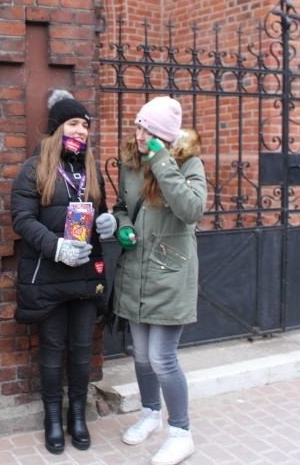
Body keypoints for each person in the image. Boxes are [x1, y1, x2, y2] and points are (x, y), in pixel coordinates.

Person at [95, 96, 207, 465]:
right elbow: (123, 207)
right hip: (136, 269)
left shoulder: (188, 163)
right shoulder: (131, 163)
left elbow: (190, 209)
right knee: (141, 355)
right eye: (139, 127)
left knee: (162, 357)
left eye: (148, 130)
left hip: (169, 273)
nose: (140, 135)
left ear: (165, 136)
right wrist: (123, 227)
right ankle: (149, 415)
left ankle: (181, 432)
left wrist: (161, 161)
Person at [11, 90, 109, 455]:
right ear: (57, 129)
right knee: (52, 350)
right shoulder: (32, 169)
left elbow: (100, 212)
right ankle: (52, 417)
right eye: (73, 124)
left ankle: (77, 416)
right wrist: (57, 247)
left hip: (85, 275)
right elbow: (22, 220)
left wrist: (108, 223)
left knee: (82, 351)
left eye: (85, 126)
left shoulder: (89, 170)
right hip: (49, 276)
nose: (81, 131)